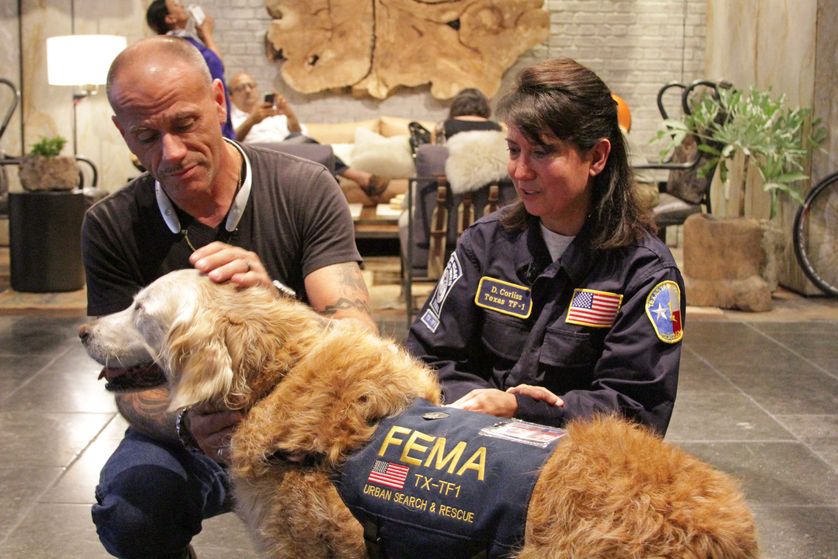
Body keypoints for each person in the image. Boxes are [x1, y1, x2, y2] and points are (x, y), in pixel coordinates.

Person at [82, 36, 375, 559]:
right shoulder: (110, 224)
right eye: (146, 135)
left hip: (307, 426)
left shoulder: (304, 187)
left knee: (383, 502)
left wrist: (273, 297)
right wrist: (186, 425)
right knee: (132, 509)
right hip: (192, 426)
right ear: (121, 132)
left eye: (184, 124)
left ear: (218, 102)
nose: (170, 153)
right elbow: (127, 385)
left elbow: (359, 339)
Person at [405, 58, 684, 436]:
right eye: (514, 150)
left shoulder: (645, 272)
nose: (520, 172)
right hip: (471, 450)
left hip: (578, 470)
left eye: (542, 152)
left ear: (597, 157)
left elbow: (637, 410)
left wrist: (524, 408)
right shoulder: (484, 244)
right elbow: (426, 356)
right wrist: (483, 402)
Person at [228, 72, 390, 198]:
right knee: (310, 149)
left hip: (290, 156)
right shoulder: (231, 120)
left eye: (251, 85)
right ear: (231, 97)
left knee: (308, 148)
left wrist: (290, 115)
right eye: (240, 88)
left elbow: (297, 133)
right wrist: (251, 121)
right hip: (262, 159)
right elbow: (231, 145)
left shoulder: (273, 114)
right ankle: (358, 177)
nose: (248, 91)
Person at [146, 0, 235, 139]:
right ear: (170, 18)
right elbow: (217, 64)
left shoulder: (186, 40)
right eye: (176, 5)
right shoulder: (173, 46)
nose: (181, 5)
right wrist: (207, 34)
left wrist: (205, 36)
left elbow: (216, 64)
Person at [435, 87, 503, 143]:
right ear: (484, 106)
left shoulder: (443, 126)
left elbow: (438, 152)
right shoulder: (496, 128)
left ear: (456, 105)